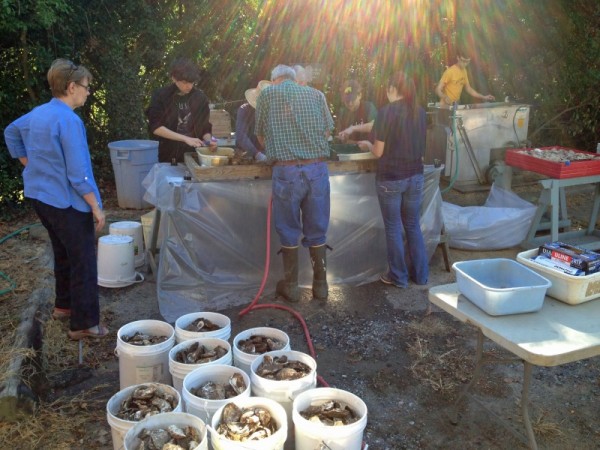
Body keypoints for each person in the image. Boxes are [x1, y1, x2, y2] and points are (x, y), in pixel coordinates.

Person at [4, 58, 108, 340]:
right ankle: (85, 323)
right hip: (66, 202)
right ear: (71, 87)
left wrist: (30, 164)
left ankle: (64, 306)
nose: (88, 92)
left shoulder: (39, 113)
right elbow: (78, 174)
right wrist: (96, 207)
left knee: (63, 252)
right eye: (86, 87)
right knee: (84, 258)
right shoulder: (69, 120)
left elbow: (11, 131)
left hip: (41, 197)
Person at [255, 64, 334, 302]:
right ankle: (321, 286)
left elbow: (260, 136)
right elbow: (328, 132)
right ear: (292, 77)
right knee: (317, 228)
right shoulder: (316, 94)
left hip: (286, 171)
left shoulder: (267, 94)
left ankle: (291, 287)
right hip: (317, 169)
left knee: (289, 229)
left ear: (274, 80)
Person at [370, 71, 429, 288]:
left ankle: (399, 277)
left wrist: (368, 145)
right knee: (413, 225)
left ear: (393, 89)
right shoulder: (420, 113)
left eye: (388, 88)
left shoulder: (385, 112)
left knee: (394, 227)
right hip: (415, 176)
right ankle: (422, 276)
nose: (386, 92)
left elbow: (378, 152)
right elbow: (422, 149)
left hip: (391, 178)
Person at [146, 58, 215, 164]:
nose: (189, 86)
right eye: (185, 82)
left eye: (192, 82)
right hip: (169, 154)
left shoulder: (200, 98)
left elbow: (205, 127)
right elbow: (156, 127)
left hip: (195, 154)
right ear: (174, 78)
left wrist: (209, 140)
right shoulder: (161, 96)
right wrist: (185, 138)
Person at [235, 80, 272, 161]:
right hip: (246, 153)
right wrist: (257, 154)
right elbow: (240, 135)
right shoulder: (244, 110)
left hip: (268, 153)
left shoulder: (273, 112)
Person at [336, 79, 377, 151]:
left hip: (368, 155)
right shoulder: (342, 112)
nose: (350, 104)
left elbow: (375, 126)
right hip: (349, 154)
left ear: (360, 95)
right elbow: (340, 137)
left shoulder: (368, 107)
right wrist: (343, 138)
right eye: (347, 101)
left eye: (353, 100)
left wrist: (353, 128)